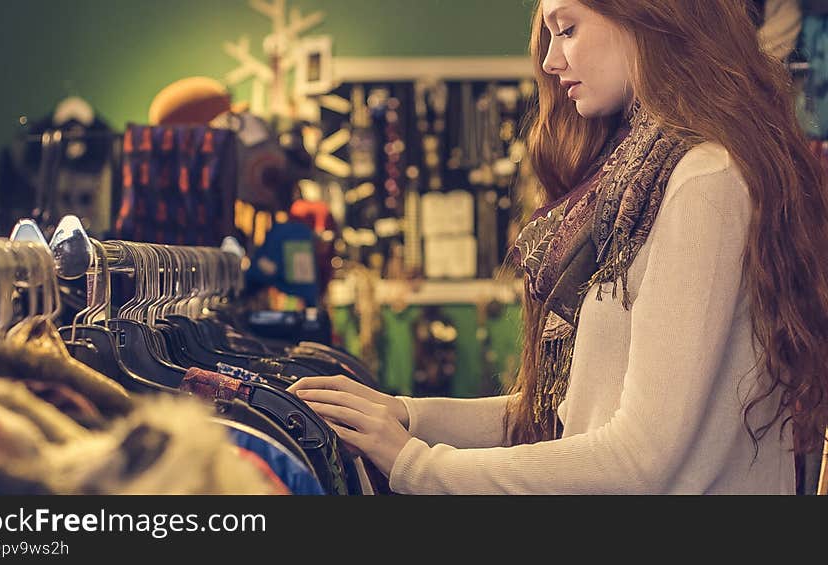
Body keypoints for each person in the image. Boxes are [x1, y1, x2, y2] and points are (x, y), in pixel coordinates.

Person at [287, 0, 828, 494]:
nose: (548, 60)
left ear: (651, 16)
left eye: (566, 29)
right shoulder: (635, 180)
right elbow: (573, 414)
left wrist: (418, 465)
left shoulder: (702, 178)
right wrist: (408, 416)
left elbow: (640, 458)